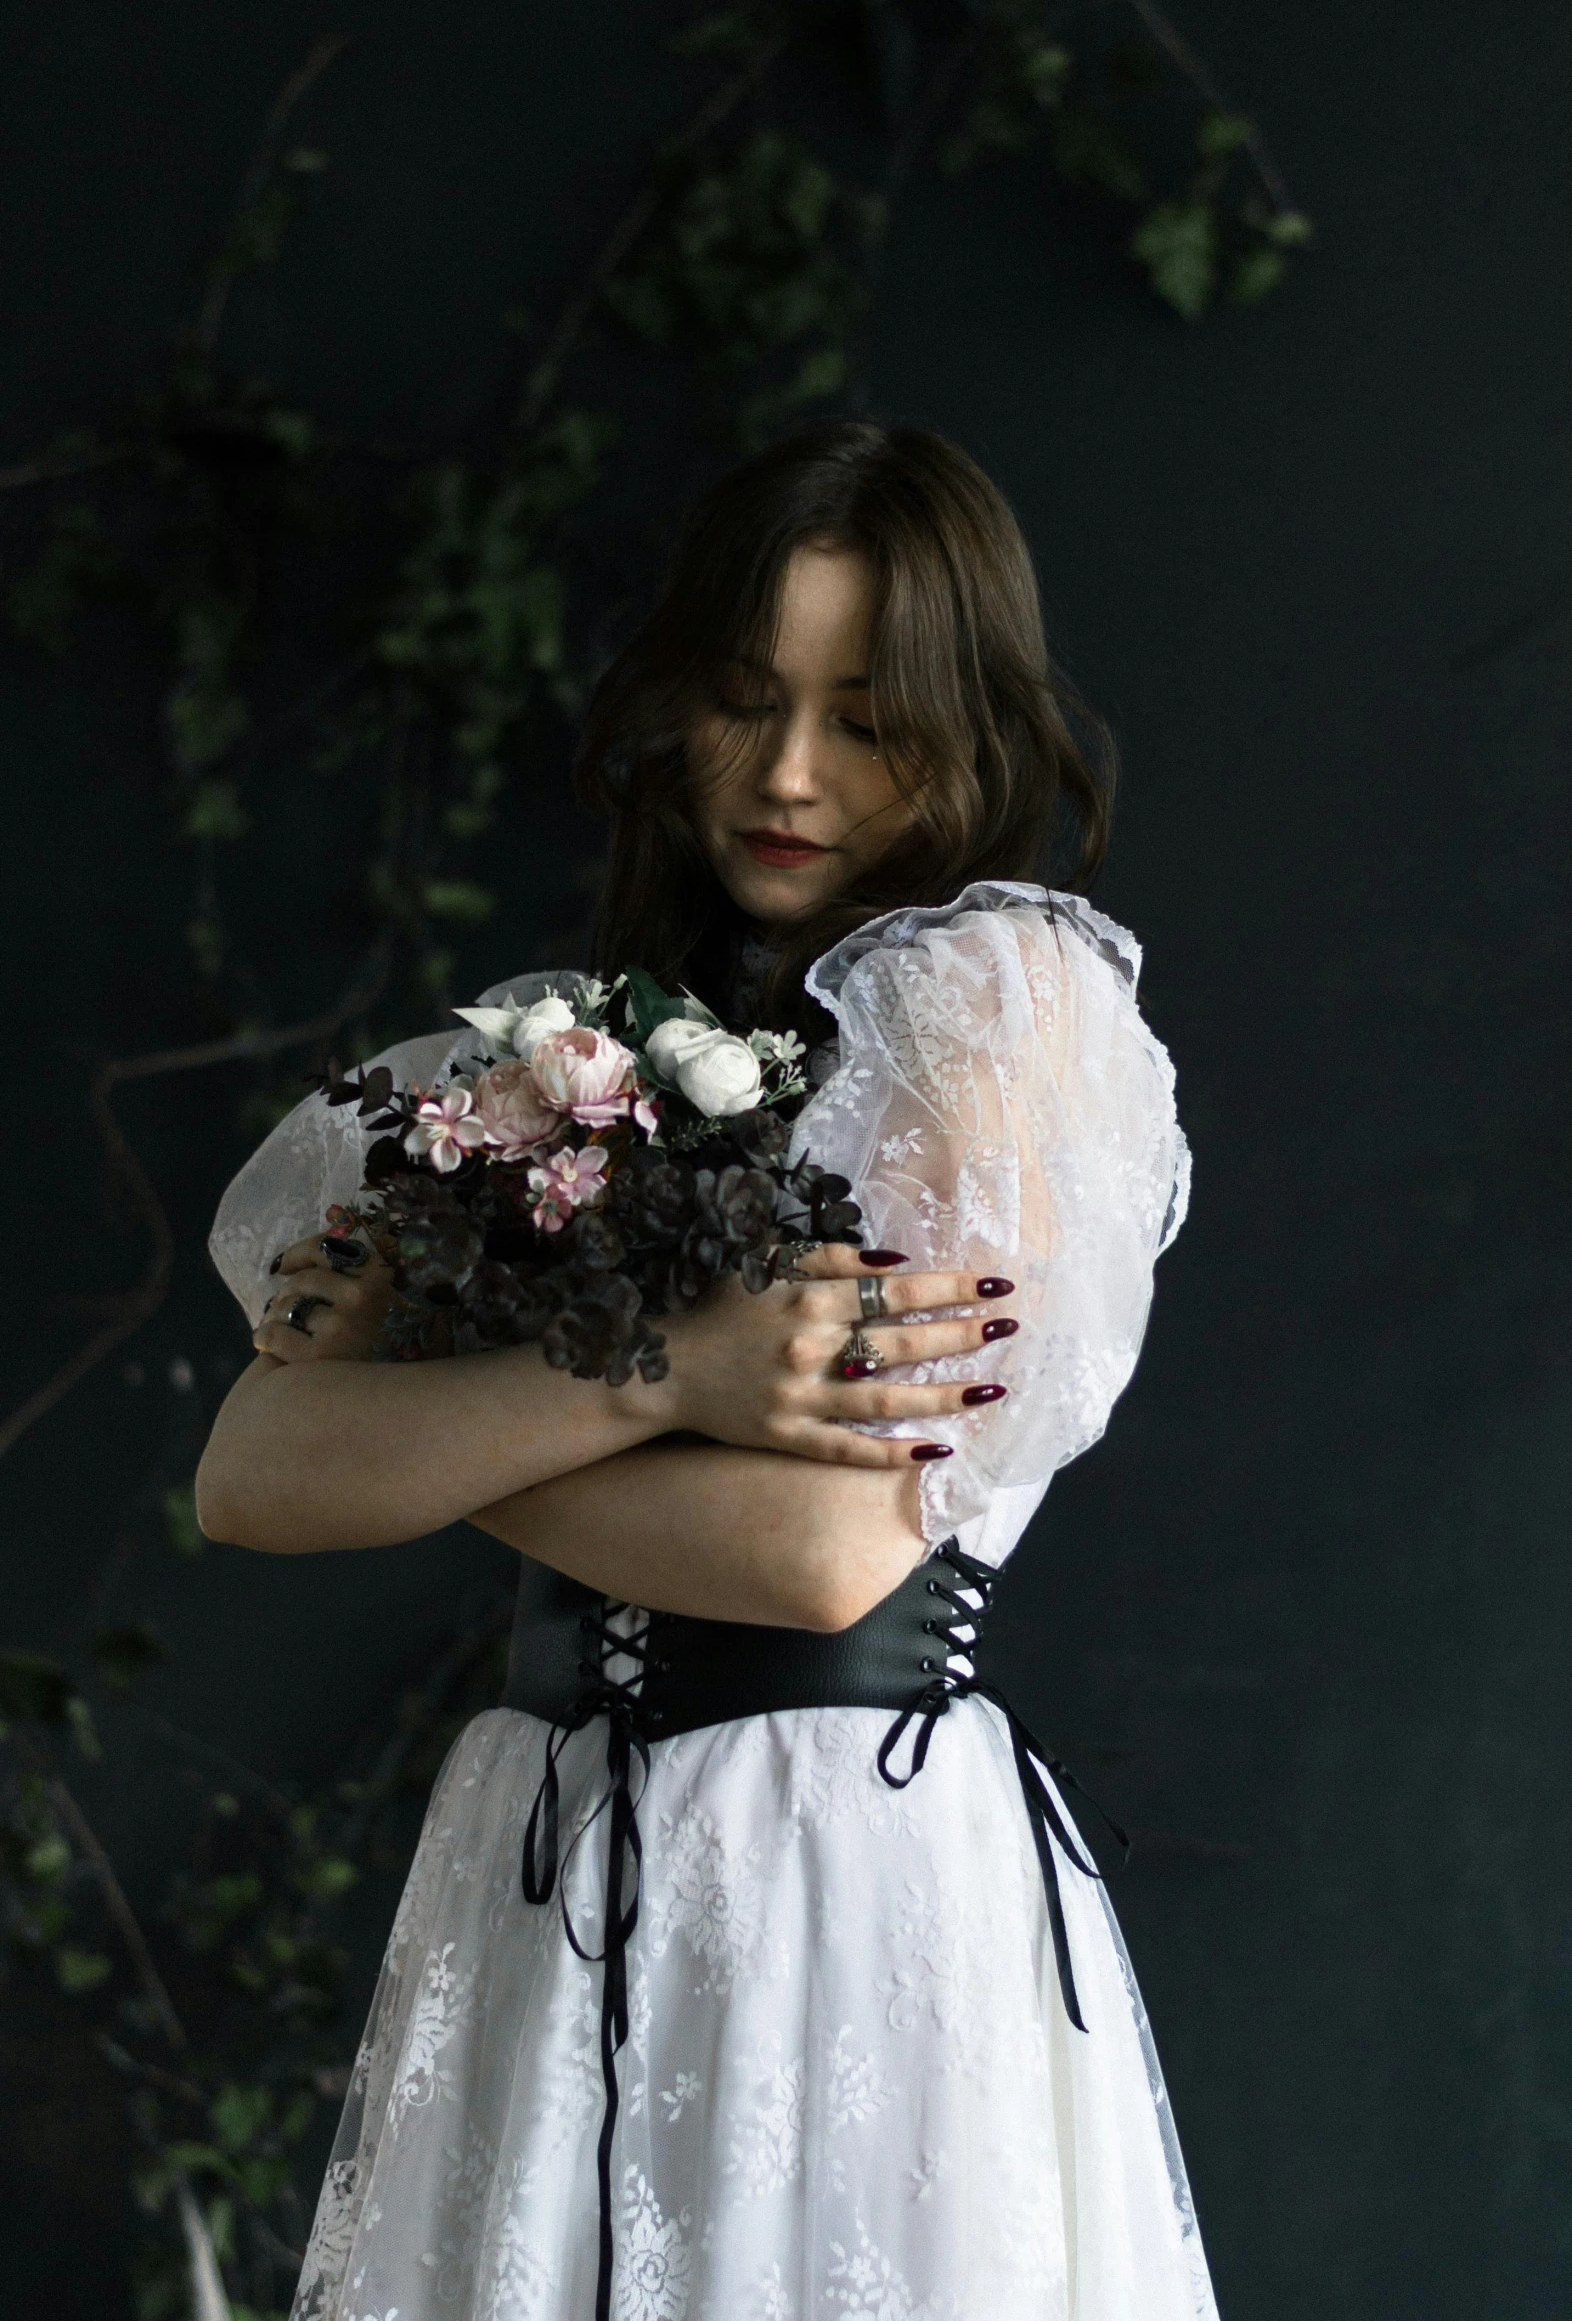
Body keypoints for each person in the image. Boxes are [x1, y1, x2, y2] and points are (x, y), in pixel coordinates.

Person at [197, 421, 1214, 2321]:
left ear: (973, 733)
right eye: (747, 702)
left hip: (827, 1862)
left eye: (867, 718)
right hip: (546, 1848)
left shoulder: (996, 1004)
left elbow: (826, 1560)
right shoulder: (562, 1060)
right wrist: (676, 1368)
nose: (794, 775)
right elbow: (248, 1478)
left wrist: (420, 1414)